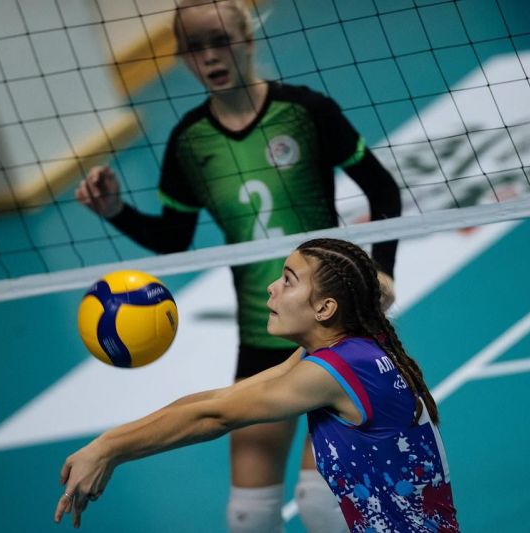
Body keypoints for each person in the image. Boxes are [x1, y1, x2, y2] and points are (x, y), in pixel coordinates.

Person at [74, 1, 401, 530]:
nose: (209, 56)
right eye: (195, 47)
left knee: (322, 502)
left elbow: (382, 190)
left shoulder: (305, 111)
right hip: (261, 331)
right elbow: (174, 238)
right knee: (249, 516)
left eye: (220, 40)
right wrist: (115, 211)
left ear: (247, 39)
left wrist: (382, 271)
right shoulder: (188, 142)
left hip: (333, 327)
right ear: (182, 58)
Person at [54, 238, 459, 531]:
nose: (272, 287)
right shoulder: (353, 345)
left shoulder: (335, 370)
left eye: (289, 280)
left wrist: (109, 448)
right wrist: (109, 446)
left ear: (325, 308)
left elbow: (215, 416)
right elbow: (225, 399)